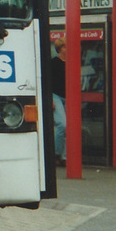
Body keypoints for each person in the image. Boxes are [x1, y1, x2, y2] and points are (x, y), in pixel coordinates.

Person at [50, 37, 68, 166]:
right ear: (60, 49)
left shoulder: (72, 62)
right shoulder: (53, 63)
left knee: (69, 127)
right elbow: (48, 82)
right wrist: (50, 99)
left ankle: (65, 156)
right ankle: (56, 153)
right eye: (65, 47)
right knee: (63, 124)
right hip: (56, 95)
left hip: (69, 97)